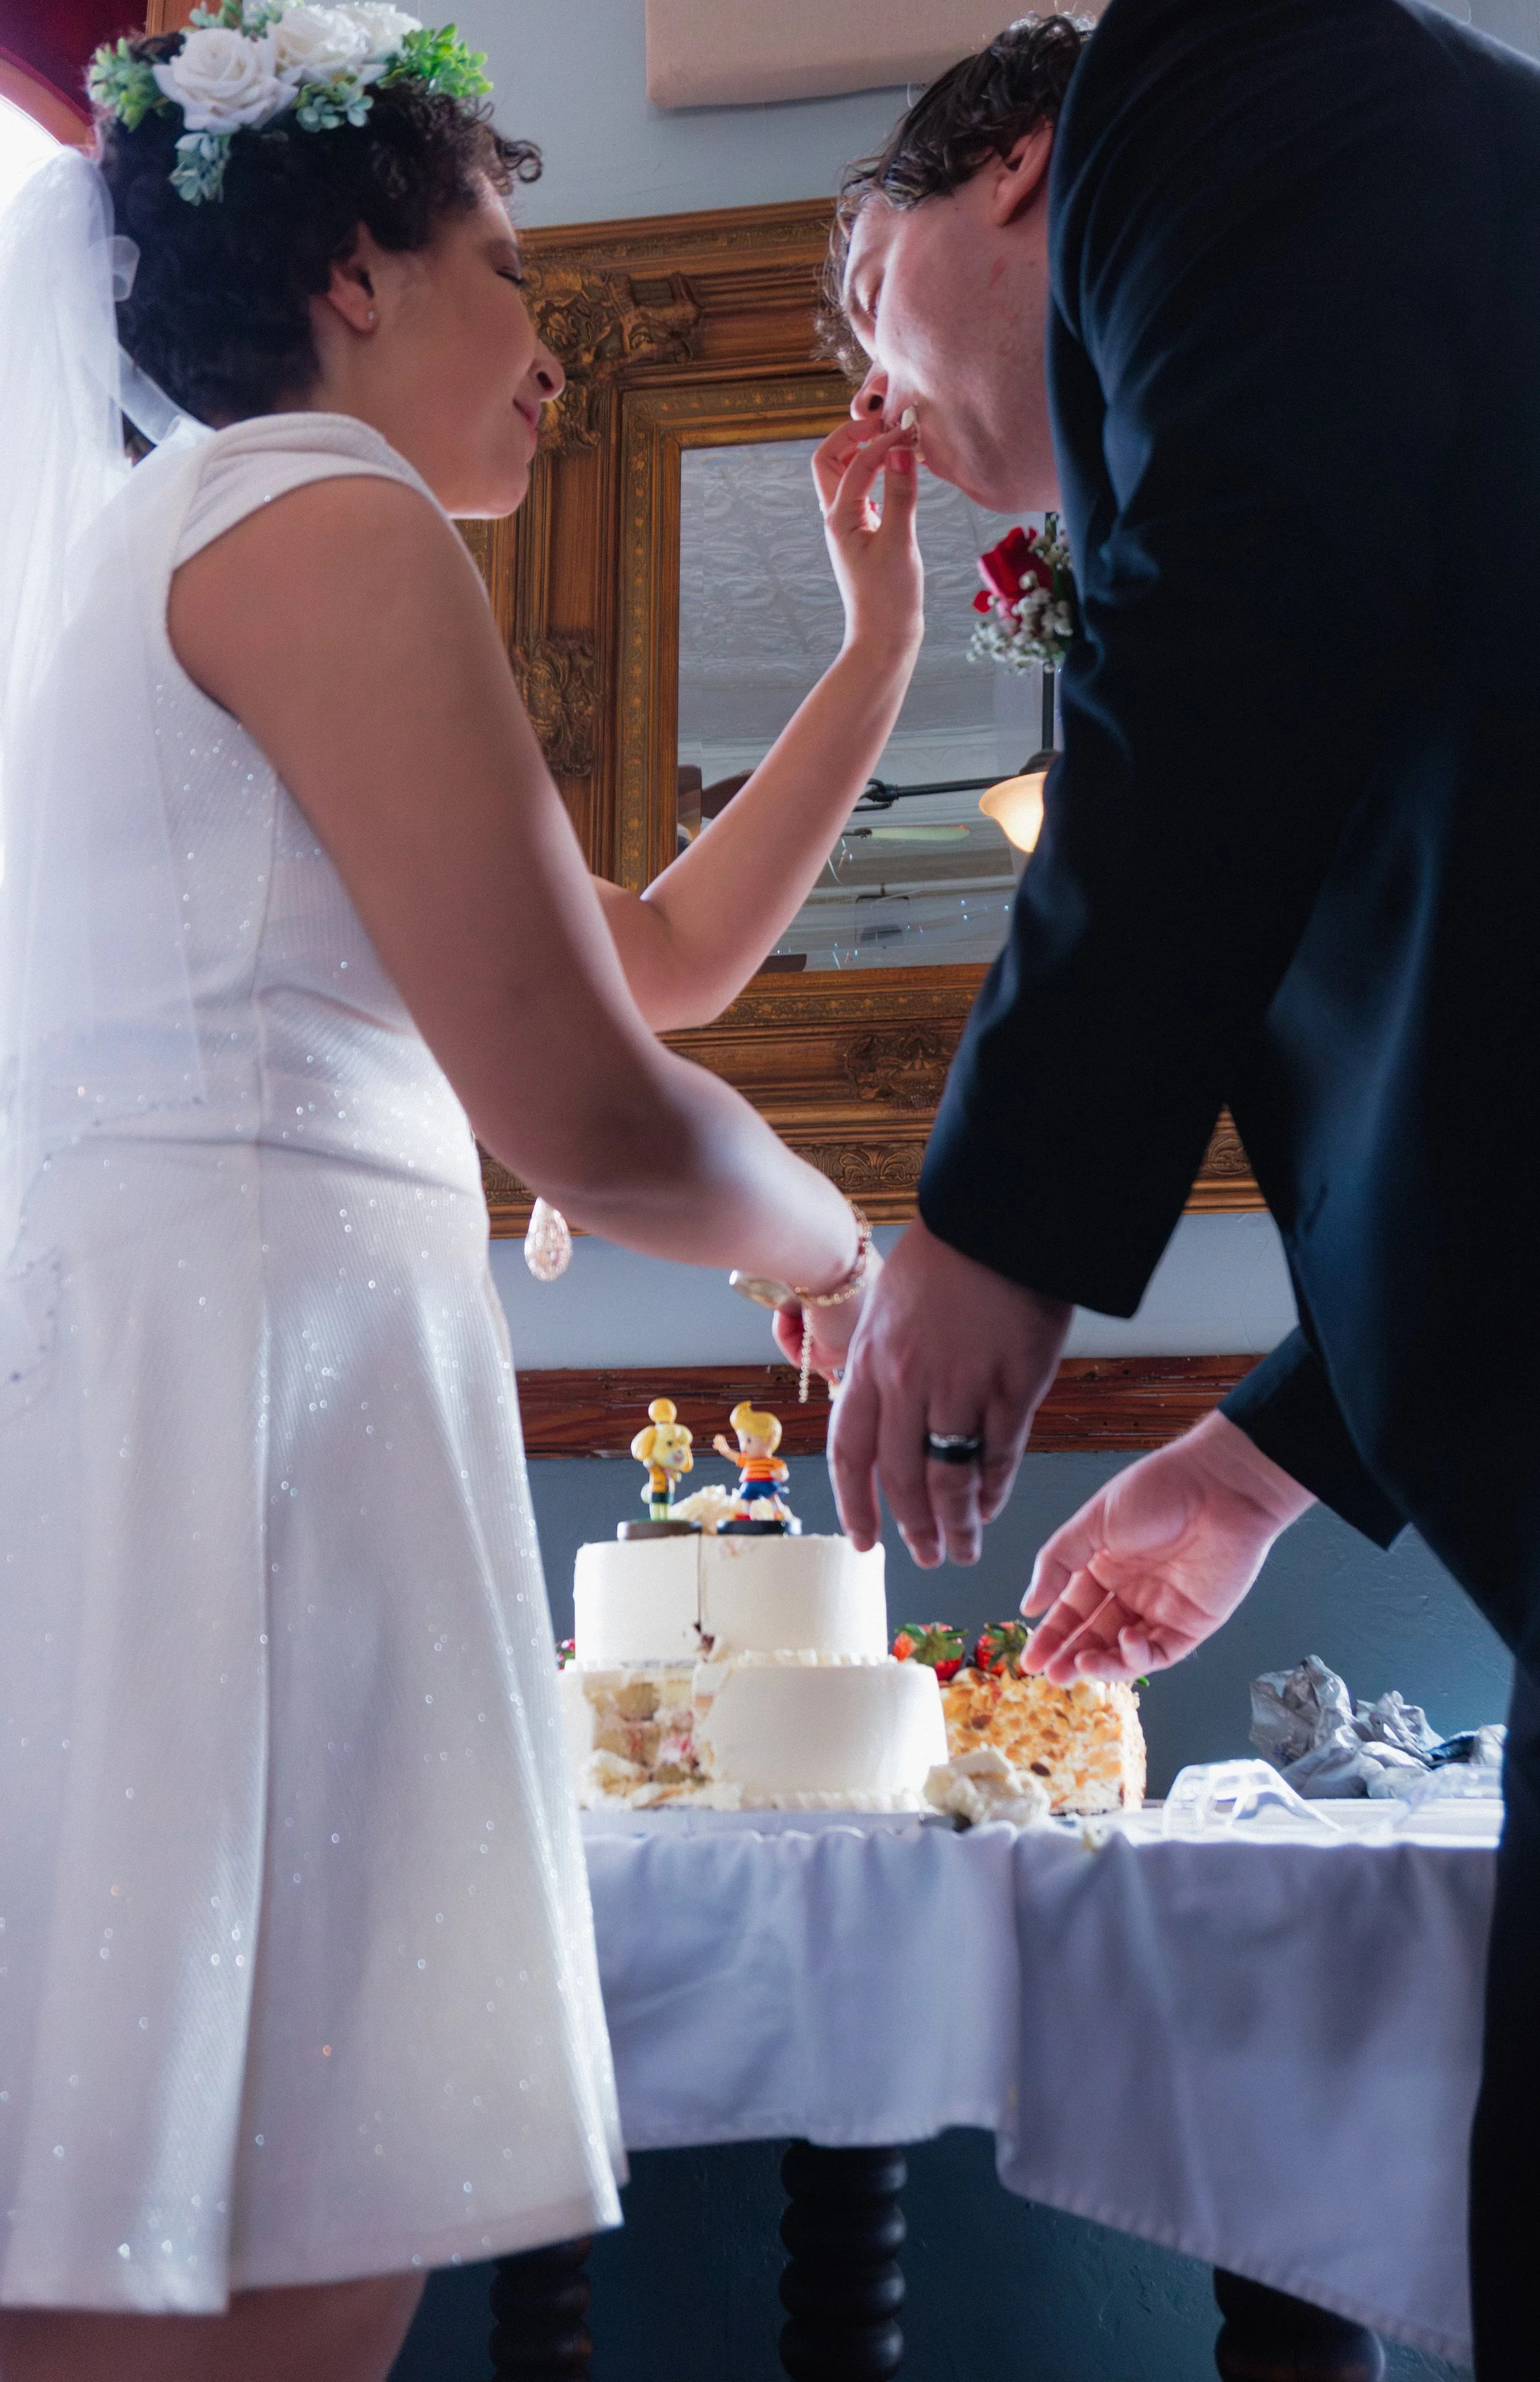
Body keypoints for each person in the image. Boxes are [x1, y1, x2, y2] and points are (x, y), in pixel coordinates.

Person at [0, 11, 921, 2377]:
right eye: (510, 262)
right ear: (350, 275)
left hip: (271, 1406)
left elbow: (664, 966)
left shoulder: (225, 536)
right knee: (200, 2247)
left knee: (243, 2222)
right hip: (237, 1429)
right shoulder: (314, 512)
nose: (556, 340)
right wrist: (856, 1259)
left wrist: (878, 645)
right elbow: (594, 1114)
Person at [810, 5, 1540, 2371]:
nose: (871, 405)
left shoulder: (1232, 79)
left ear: (1027, 162)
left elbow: (1229, 641)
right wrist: (1255, 1457)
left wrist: (995, 1219)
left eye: (863, 298)